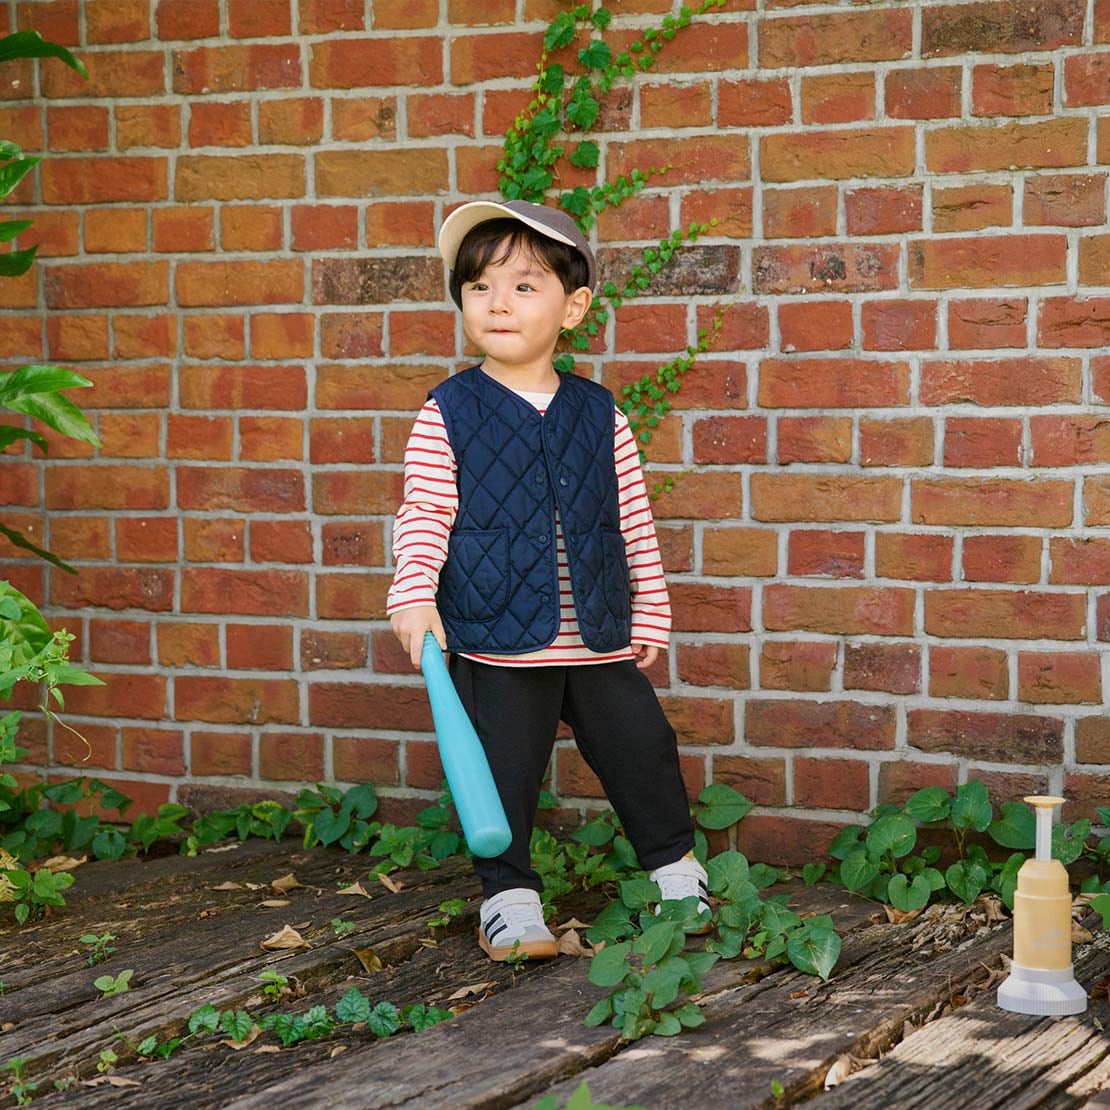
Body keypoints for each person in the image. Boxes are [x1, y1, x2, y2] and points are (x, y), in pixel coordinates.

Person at [386, 199, 708, 962]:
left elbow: (633, 521)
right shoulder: (449, 412)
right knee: (503, 775)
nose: (498, 303)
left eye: (525, 286)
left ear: (574, 307)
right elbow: (426, 510)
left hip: (596, 636)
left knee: (644, 749)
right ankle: (509, 900)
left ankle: (676, 873)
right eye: (479, 287)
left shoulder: (602, 414)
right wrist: (414, 593)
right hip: (498, 640)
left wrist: (651, 614)